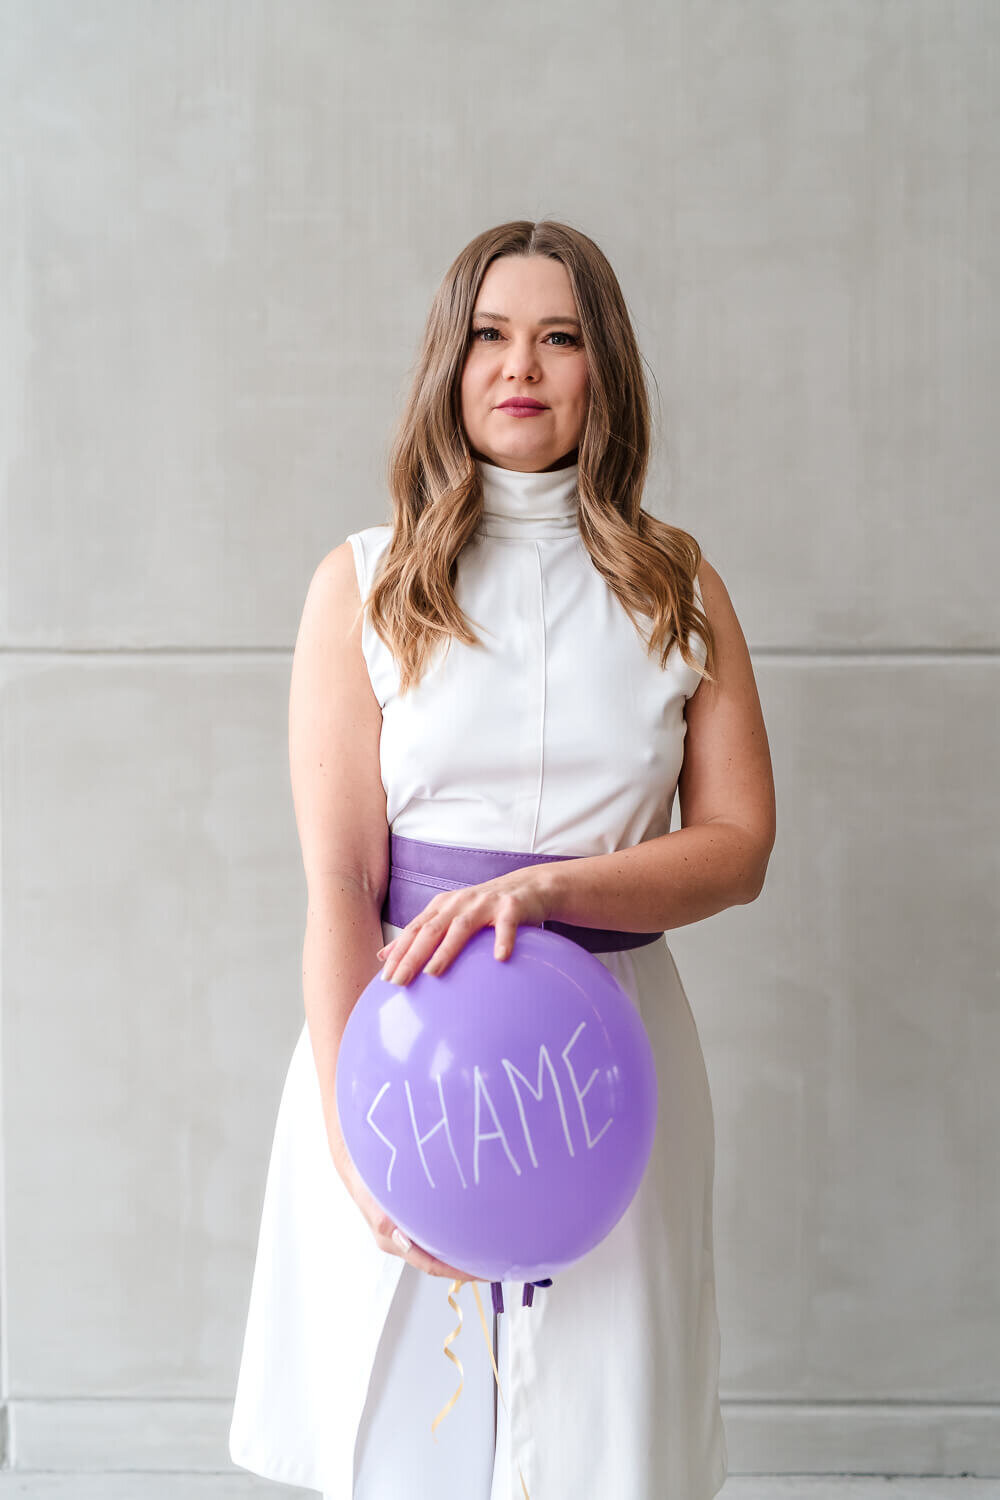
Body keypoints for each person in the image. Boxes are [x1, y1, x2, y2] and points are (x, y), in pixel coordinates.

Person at [228, 219, 775, 1500]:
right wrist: (356, 1142)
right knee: (407, 1424)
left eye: (558, 336)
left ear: (604, 369)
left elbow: (740, 846)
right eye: (487, 333)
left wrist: (553, 889)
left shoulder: (678, 586)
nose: (517, 363)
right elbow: (339, 886)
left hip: (608, 1065)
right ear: (448, 362)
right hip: (403, 1054)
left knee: (603, 1432)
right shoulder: (363, 584)